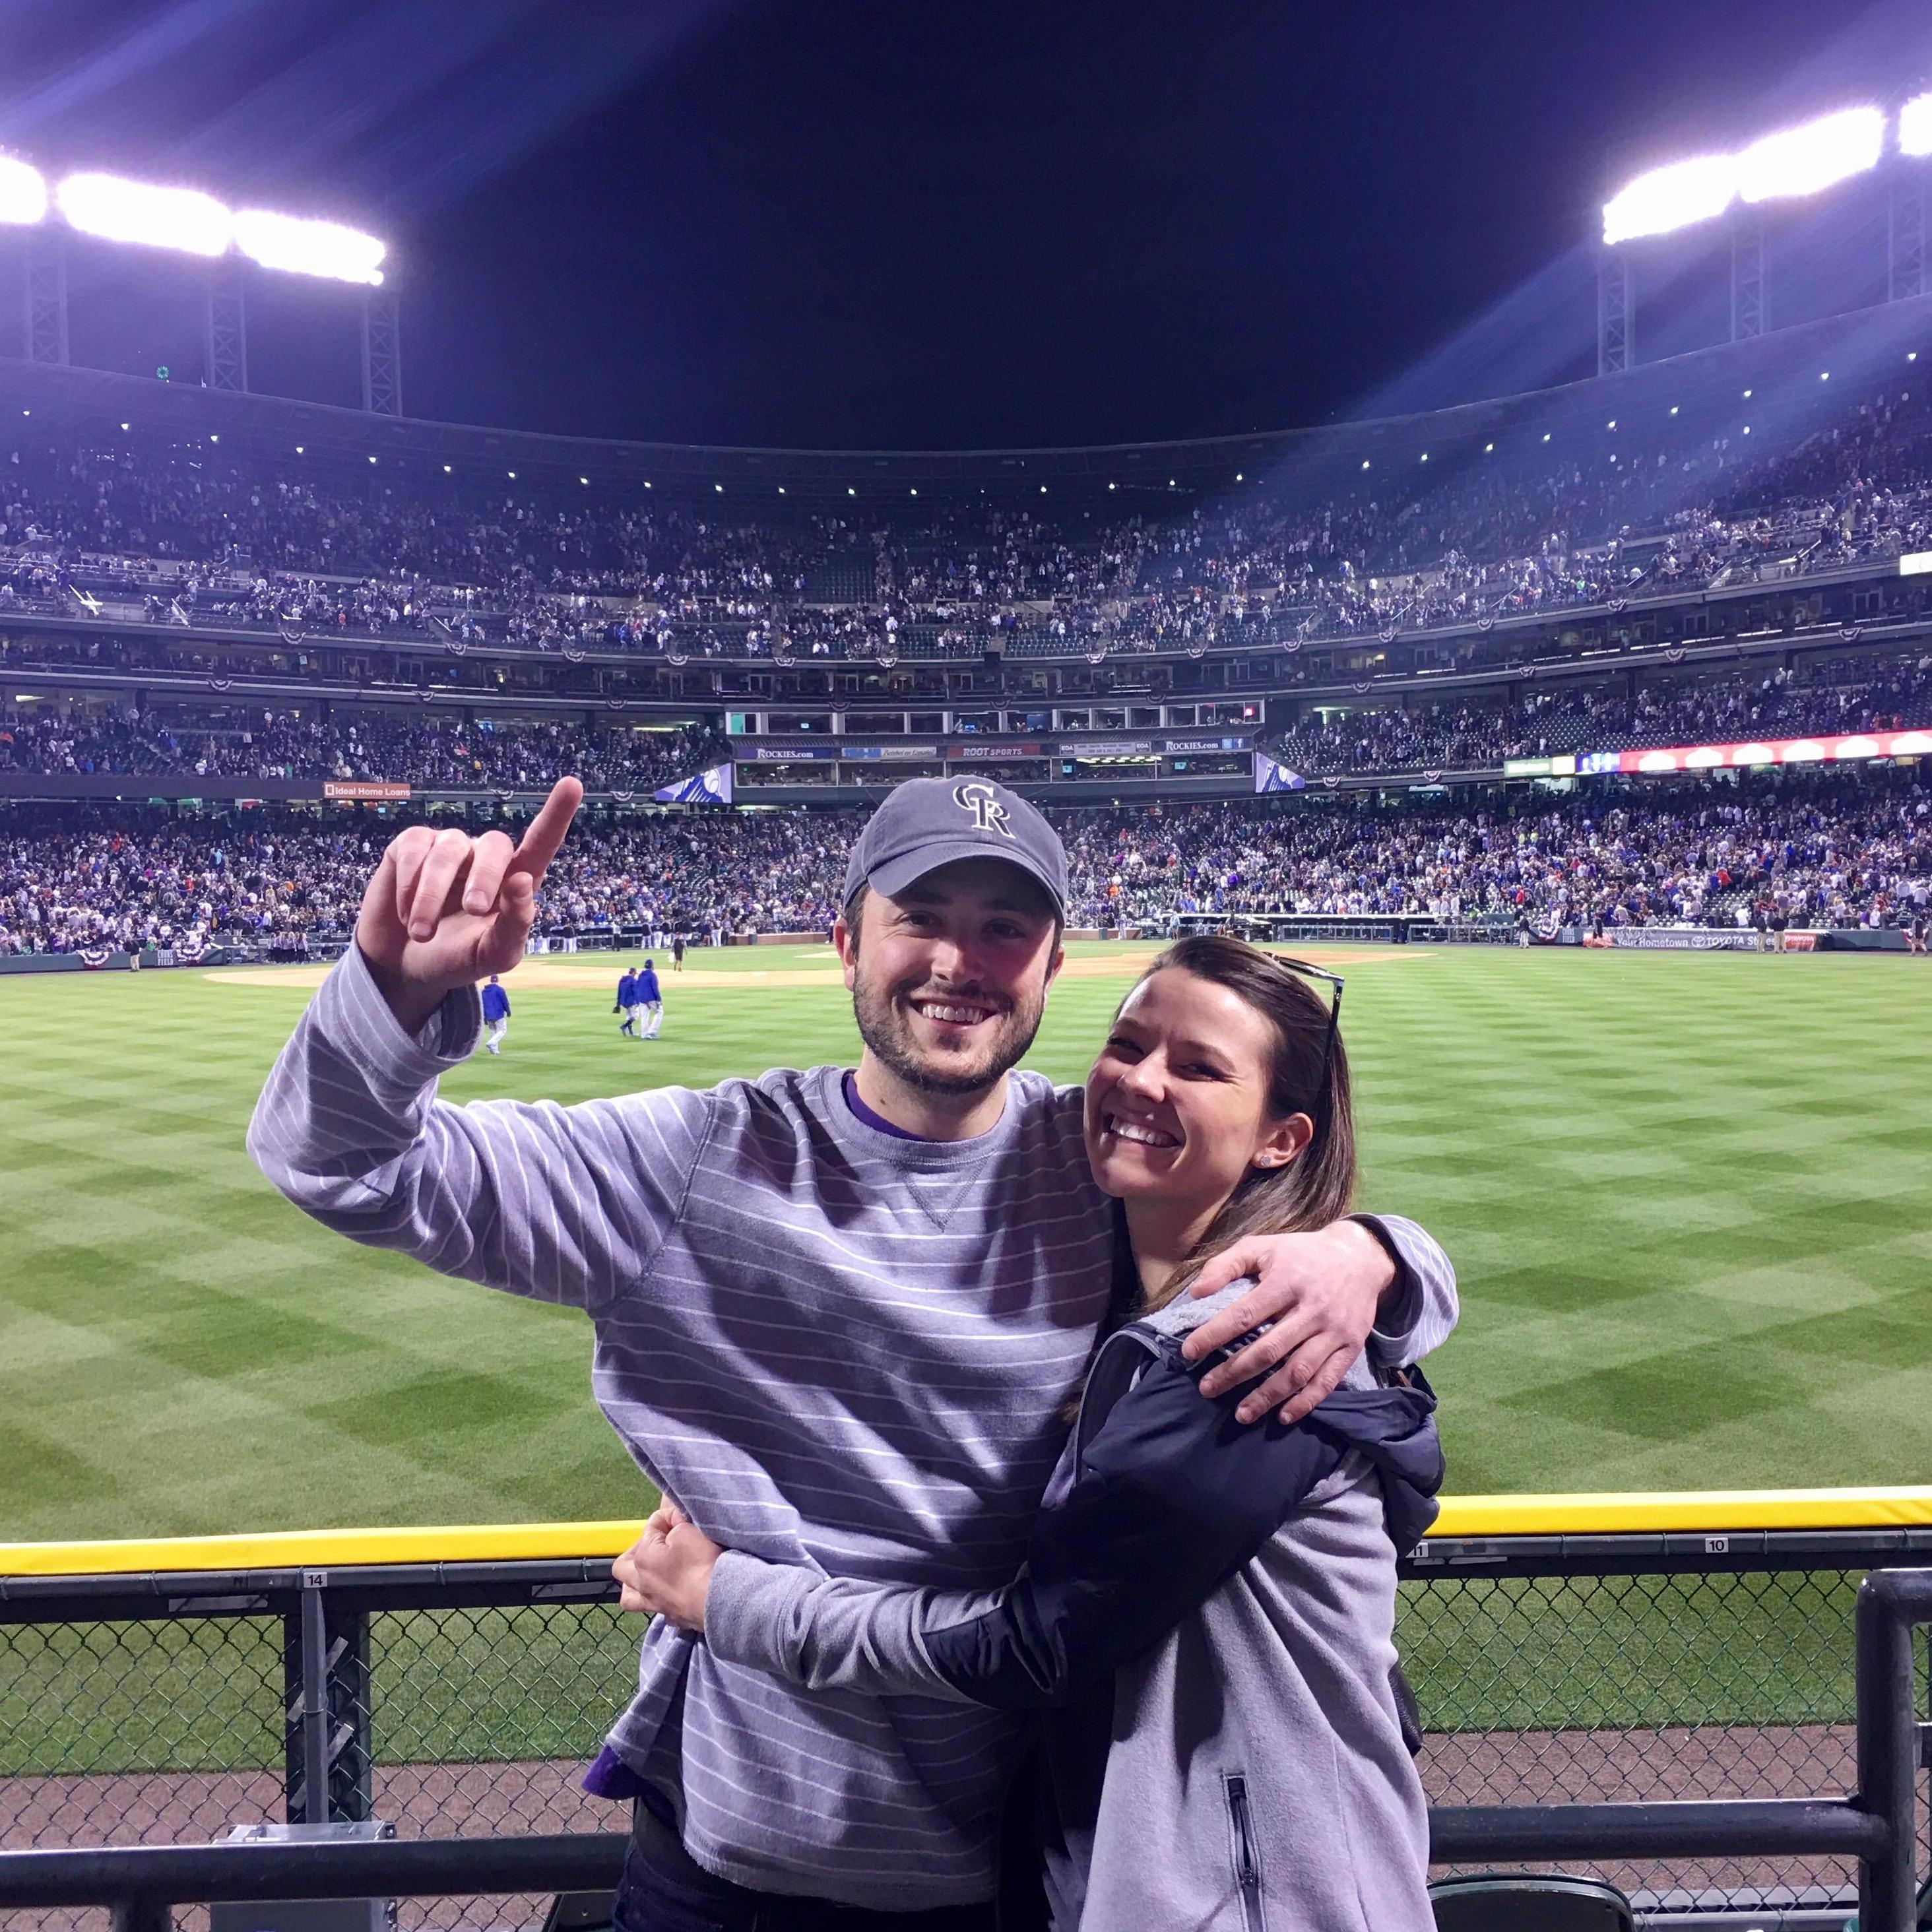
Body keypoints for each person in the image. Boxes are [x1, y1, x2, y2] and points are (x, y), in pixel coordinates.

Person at [247, 775, 1454, 1930]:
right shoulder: (691, 1162)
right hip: (738, 1868)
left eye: (1000, 928)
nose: (955, 961)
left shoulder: (1098, 1164)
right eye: (918, 918)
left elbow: (1256, 1234)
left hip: (1014, 1876)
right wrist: (395, 997)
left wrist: (1373, 1253)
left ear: (1047, 962)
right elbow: (344, 1165)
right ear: (844, 939)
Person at [614, 936, 1443, 1931]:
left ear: (1282, 1139)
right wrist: (1380, 1249)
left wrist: (726, 1596)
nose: (1142, 1082)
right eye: (1129, 1044)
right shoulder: (1145, 1293)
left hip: (1263, 1900)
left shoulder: (1244, 1355)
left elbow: (1033, 1646)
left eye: (1198, 1067)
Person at [480, 974, 510, 1054]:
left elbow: (482, 1005)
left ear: (491, 980)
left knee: (493, 1031)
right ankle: (492, 1043)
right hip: (498, 1014)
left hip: (489, 1015)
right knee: (502, 1030)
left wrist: (484, 1017)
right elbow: (505, 1001)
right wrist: (508, 1011)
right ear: (497, 980)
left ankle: (494, 1051)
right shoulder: (500, 990)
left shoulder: (484, 991)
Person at [635, 956, 663, 1039]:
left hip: (642, 999)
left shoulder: (640, 975)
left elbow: (638, 986)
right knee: (659, 1012)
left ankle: (644, 1035)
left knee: (644, 1016)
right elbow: (655, 988)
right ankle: (652, 1032)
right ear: (651, 966)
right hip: (651, 998)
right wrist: (659, 999)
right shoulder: (652, 975)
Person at [615, 964, 638, 1037]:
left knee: (629, 1016)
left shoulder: (622, 980)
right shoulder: (633, 980)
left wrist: (618, 1003)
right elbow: (636, 992)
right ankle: (624, 1026)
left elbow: (619, 991)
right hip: (631, 1001)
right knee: (635, 1016)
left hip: (624, 1002)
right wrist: (637, 1001)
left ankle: (631, 1033)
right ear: (634, 972)